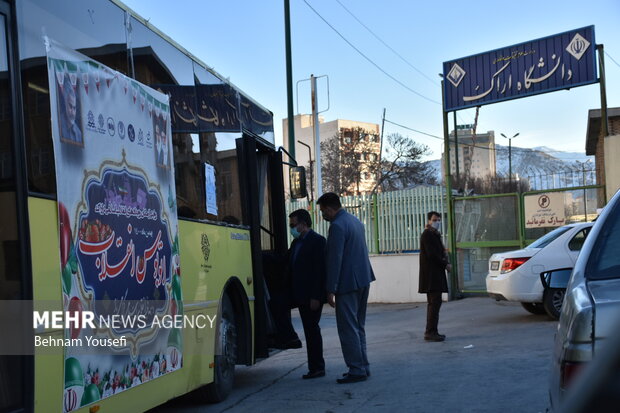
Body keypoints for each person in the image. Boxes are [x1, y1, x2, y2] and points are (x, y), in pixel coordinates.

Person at [317, 192, 375, 384]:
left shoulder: (337, 226)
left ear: (329, 208)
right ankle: (363, 366)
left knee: (348, 328)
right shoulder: (354, 221)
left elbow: (335, 260)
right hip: (363, 279)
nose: (323, 215)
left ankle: (356, 369)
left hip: (347, 283)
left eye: (323, 211)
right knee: (359, 326)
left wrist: (330, 289)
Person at [288, 209, 327, 379]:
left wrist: (316, 296)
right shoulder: (296, 243)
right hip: (298, 293)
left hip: (311, 296)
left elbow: (319, 272)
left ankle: (317, 367)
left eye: (293, 225)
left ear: (303, 224)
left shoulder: (318, 241)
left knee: (312, 331)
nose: (291, 228)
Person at [418, 211, 451, 342]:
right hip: (431, 276)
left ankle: (433, 331)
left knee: (435, 304)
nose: (437, 222)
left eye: (438, 220)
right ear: (429, 221)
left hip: (435, 275)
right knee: (434, 303)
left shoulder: (434, 234)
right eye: (434, 220)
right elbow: (432, 255)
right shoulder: (427, 235)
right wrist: (445, 264)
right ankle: (430, 332)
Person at [60, 75, 83, 145]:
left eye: (74, 108)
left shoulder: (79, 134)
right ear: (65, 103)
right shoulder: (58, 124)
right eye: (70, 106)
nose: (73, 112)